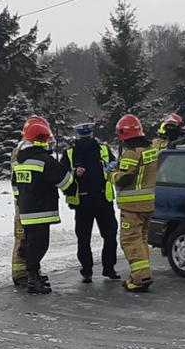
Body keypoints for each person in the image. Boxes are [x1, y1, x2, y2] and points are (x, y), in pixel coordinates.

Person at [12, 119, 74, 294]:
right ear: (41, 140)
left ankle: (35, 276)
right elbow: (66, 181)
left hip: (25, 211)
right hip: (41, 212)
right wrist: (74, 188)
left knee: (32, 244)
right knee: (39, 246)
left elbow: (16, 186)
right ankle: (33, 280)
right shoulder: (45, 161)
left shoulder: (19, 161)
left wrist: (21, 202)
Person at [110, 114, 162, 293]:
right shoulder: (150, 149)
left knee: (130, 240)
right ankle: (141, 274)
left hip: (132, 206)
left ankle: (140, 278)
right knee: (141, 240)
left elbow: (124, 178)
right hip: (147, 204)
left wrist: (111, 174)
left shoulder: (131, 152)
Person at [63, 122, 118, 283]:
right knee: (83, 238)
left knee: (110, 235)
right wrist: (74, 172)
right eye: (83, 136)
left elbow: (114, 167)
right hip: (82, 202)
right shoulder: (70, 153)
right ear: (78, 136)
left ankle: (109, 268)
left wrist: (110, 169)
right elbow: (62, 176)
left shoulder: (104, 150)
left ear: (92, 135)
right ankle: (86, 270)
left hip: (103, 200)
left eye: (87, 136)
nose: (85, 138)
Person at [10, 115, 48, 287]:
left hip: (27, 200)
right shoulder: (20, 153)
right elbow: (18, 180)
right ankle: (20, 273)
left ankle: (31, 270)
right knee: (23, 237)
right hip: (24, 202)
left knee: (30, 238)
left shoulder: (25, 150)